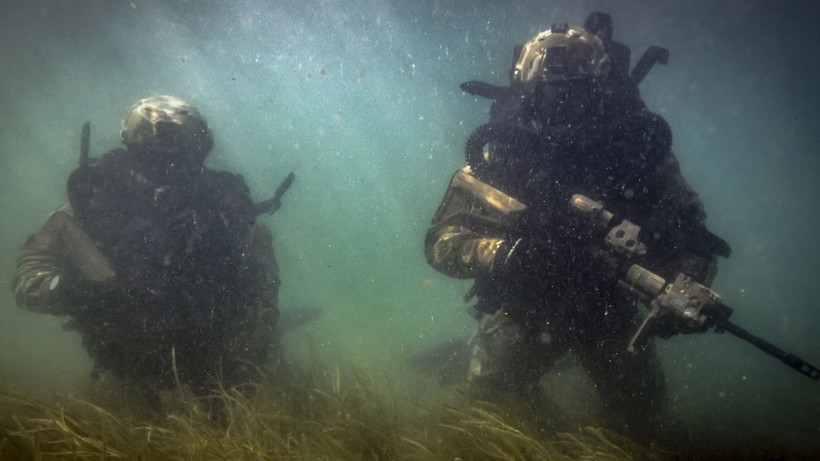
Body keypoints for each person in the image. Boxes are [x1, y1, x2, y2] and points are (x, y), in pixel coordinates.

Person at [424, 13, 730, 435]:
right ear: (529, 94)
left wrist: (680, 296)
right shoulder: (499, 155)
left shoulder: (637, 153)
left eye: (575, 95)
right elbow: (441, 242)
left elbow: (694, 235)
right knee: (486, 412)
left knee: (643, 417)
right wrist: (505, 254)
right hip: (525, 308)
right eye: (551, 96)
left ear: (601, 92)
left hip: (608, 309)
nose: (562, 107)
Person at [13, 95, 281, 402]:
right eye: (152, 159)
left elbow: (263, 295)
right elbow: (29, 274)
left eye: (181, 161)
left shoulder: (225, 212)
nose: (166, 173)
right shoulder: (92, 204)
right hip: (125, 366)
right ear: (131, 153)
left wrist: (248, 364)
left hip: (220, 366)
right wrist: (70, 290)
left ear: (199, 159)